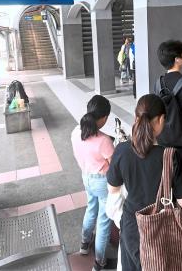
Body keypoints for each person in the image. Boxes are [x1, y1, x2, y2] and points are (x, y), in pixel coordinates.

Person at [107, 94, 182, 270]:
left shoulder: (122, 151)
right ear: (162, 119)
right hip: (162, 229)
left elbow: (113, 188)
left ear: (136, 117)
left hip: (132, 228)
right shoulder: (170, 156)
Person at [71, 95, 115, 271]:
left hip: (86, 177)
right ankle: (99, 261)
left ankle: (84, 243)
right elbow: (114, 167)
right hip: (102, 182)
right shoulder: (104, 140)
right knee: (104, 220)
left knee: (91, 208)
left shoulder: (76, 132)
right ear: (103, 118)